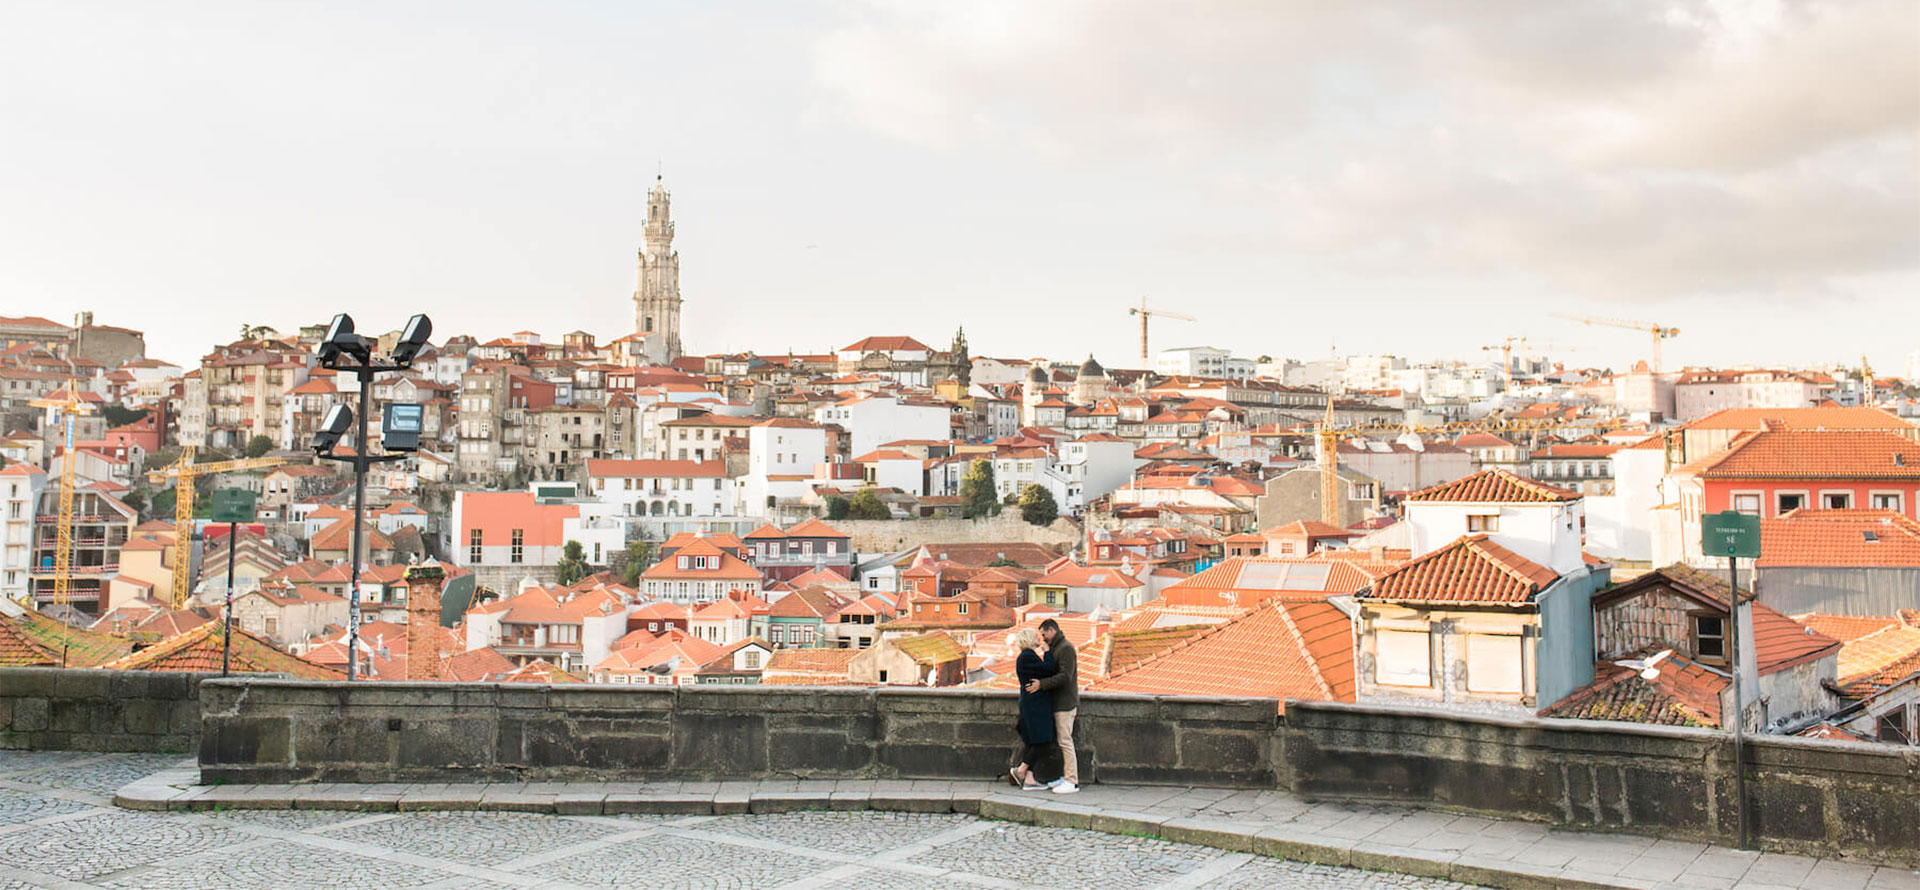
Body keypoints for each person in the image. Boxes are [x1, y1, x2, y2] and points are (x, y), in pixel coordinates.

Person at [1024, 617, 1079, 793]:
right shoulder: (1057, 648)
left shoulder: (1066, 648)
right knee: (1061, 741)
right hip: (1057, 702)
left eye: (1044, 634)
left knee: (1065, 741)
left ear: (1051, 631)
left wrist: (1042, 684)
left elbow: (1065, 676)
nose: (1043, 638)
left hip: (1065, 703)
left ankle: (1072, 781)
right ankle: (1065, 777)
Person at [1008, 628, 1061, 790]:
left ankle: (1030, 778)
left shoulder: (1027, 657)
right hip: (1034, 705)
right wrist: (1048, 652)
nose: (1039, 639)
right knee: (1042, 739)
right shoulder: (1027, 657)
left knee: (1033, 739)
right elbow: (1050, 669)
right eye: (1036, 637)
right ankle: (1021, 770)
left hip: (1033, 703)